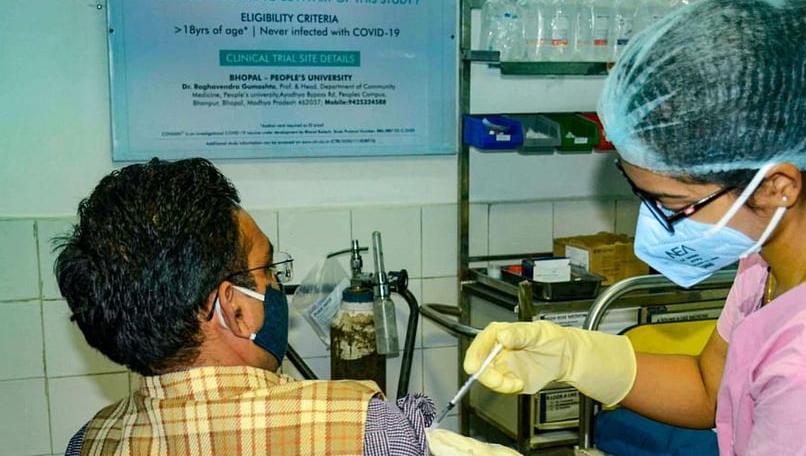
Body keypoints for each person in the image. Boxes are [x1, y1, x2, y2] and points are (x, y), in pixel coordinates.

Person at [465, 0, 806, 455]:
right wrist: (574, 355)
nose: (652, 225)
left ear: (777, 184)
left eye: (672, 203)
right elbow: (711, 386)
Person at [55, 157, 519, 456]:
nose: (277, 286)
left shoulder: (92, 442)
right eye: (267, 270)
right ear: (236, 310)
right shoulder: (366, 431)